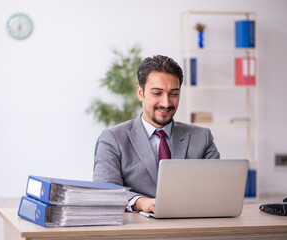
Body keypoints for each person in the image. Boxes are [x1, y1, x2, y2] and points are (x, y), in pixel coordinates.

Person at [93, 55, 220, 213]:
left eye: (173, 94)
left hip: (190, 227)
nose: (166, 103)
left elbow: (217, 190)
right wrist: (140, 202)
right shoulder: (113, 138)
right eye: (157, 93)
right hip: (138, 232)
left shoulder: (202, 138)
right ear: (140, 93)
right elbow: (106, 191)